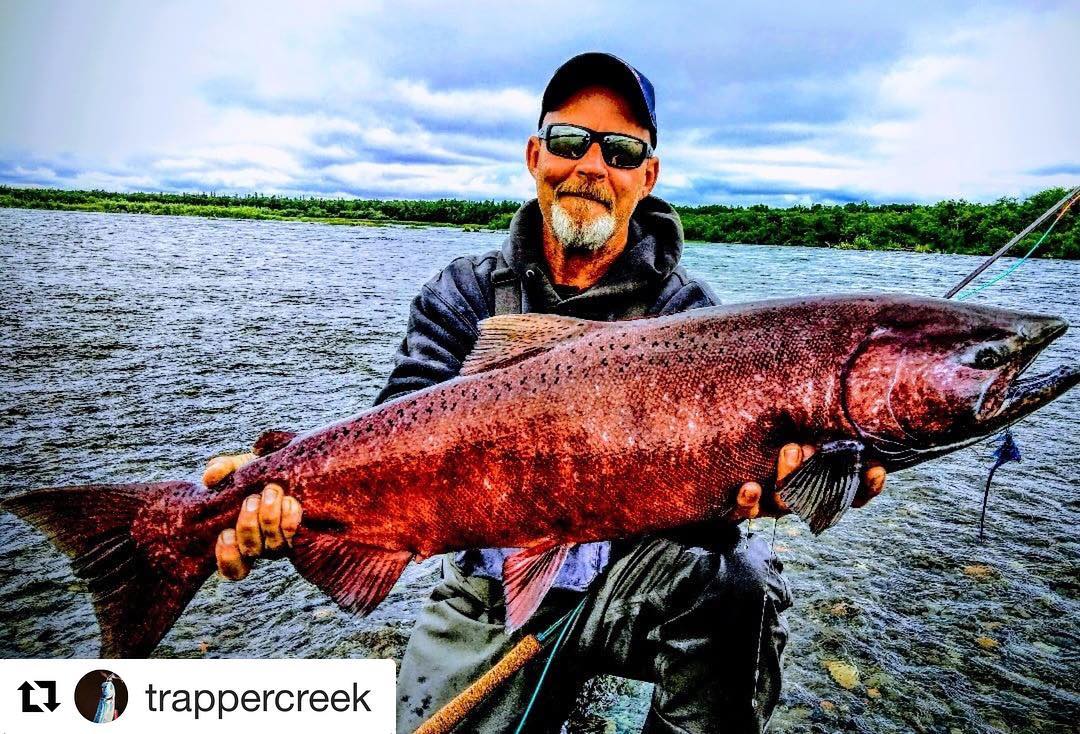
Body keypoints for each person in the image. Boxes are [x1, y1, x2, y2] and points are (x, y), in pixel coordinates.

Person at [205, 53, 887, 733]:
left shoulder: (692, 319)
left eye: (620, 150)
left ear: (647, 177)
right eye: (569, 141)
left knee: (746, 581)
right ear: (535, 155)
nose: (591, 166)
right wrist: (274, 488)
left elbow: (703, 523)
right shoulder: (465, 293)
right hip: (489, 587)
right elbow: (392, 429)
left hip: (629, 580)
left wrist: (758, 496)